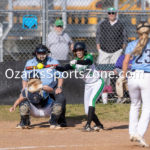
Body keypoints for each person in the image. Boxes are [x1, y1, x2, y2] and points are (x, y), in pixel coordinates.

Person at [55, 42, 104, 132]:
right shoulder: (74, 63)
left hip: (97, 83)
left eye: (80, 50)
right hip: (88, 85)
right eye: (77, 50)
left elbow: (87, 62)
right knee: (87, 111)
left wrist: (77, 61)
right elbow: (64, 68)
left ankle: (88, 125)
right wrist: (54, 67)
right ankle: (99, 125)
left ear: (84, 51)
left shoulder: (88, 56)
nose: (78, 52)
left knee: (91, 102)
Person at [21, 44, 67, 128]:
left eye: (44, 53)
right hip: (35, 88)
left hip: (50, 88)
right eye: (39, 53)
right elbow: (24, 78)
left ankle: (59, 120)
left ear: (47, 53)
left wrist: (59, 87)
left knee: (61, 98)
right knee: (23, 96)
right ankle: (24, 121)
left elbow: (60, 76)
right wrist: (24, 89)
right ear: (35, 53)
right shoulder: (29, 63)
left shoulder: (53, 62)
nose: (42, 55)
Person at [122, 21, 150, 147]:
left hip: (133, 75)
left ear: (137, 32)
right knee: (147, 107)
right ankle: (139, 132)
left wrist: (123, 77)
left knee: (134, 105)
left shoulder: (132, 44)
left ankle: (132, 132)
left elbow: (126, 62)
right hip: (147, 76)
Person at [96, 7, 128, 104]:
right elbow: (98, 36)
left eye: (113, 13)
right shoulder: (103, 24)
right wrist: (99, 49)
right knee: (103, 73)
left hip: (117, 51)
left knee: (116, 72)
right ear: (107, 14)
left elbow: (125, 38)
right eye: (109, 13)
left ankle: (119, 95)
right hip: (104, 51)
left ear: (116, 13)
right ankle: (104, 98)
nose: (111, 14)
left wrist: (122, 49)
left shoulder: (120, 24)